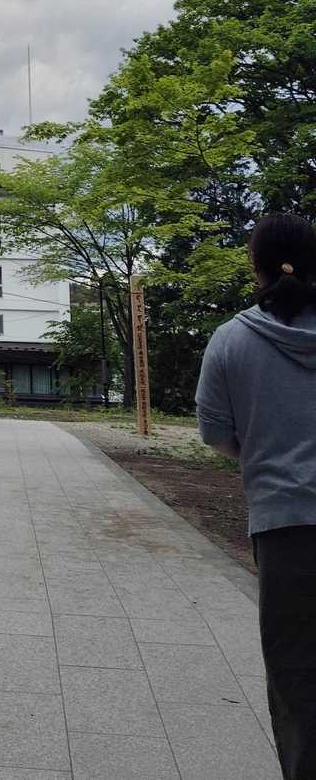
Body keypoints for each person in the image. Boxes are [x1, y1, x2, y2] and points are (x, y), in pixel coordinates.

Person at [196, 212, 316, 780]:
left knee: (296, 677)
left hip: (284, 527)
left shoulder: (232, 339)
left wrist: (261, 452)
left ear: (257, 267)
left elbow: (215, 433)